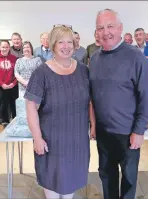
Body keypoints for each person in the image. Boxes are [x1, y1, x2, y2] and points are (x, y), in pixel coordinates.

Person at [89, 9, 148, 199]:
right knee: (107, 176)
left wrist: (139, 130)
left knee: (128, 178)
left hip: (128, 133)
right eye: (100, 28)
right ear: (96, 32)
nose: (106, 32)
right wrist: (93, 124)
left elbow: (147, 97)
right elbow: (93, 95)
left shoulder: (135, 57)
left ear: (120, 28)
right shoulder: (94, 58)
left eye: (110, 26)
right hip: (103, 132)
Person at [24, 25, 95, 199]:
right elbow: (31, 107)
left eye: (69, 42)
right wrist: (37, 138)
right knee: (53, 181)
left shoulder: (83, 70)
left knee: (71, 181)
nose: (66, 46)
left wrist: (93, 124)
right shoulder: (41, 73)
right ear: (53, 45)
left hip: (77, 139)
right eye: (61, 42)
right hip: (52, 140)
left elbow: (90, 101)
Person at [0, 40, 18, 128]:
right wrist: (2, 84)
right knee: (3, 105)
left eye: (6, 47)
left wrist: (13, 83)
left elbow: (17, 73)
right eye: (3, 47)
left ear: (9, 47)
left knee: (14, 104)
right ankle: (5, 121)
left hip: (13, 86)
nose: (4, 49)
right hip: (1, 87)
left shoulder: (14, 58)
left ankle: (15, 120)